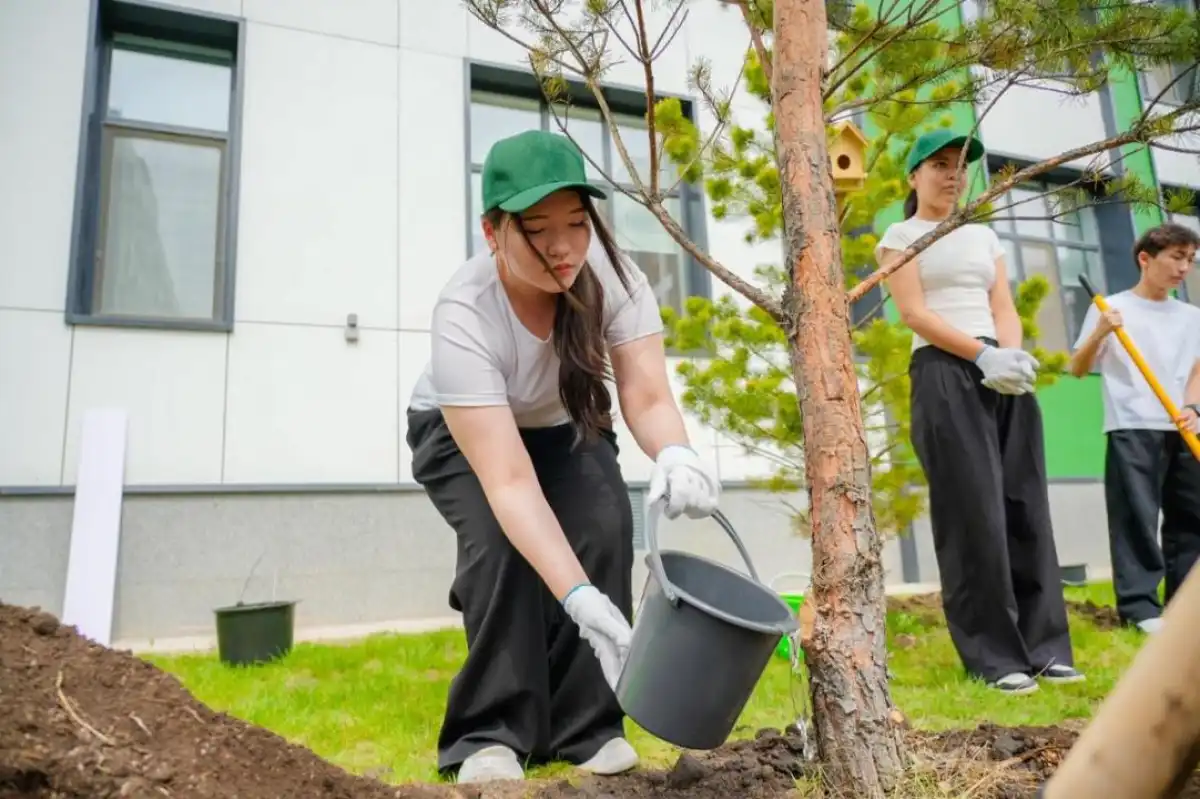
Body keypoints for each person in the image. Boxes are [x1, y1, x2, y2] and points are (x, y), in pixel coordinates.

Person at [405, 129, 721, 784]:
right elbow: (509, 481)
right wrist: (575, 595)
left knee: (604, 526)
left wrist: (677, 454)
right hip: (464, 433)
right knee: (501, 546)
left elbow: (646, 393)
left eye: (577, 223)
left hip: (561, 420)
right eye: (537, 229)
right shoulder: (464, 311)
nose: (563, 246)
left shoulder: (613, 275)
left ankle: (588, 727)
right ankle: (489, 733)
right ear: (492, 232)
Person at [876, 129, 1083, 695]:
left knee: (1025, 506)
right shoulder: (901, 236)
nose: (952, 175)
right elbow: (914, 314)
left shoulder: (983, 236)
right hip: (944, 371)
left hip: (1002, 370)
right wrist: (980, 354)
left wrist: (1008, 353)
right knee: (974, 513)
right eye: (939, 164)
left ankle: (1045, 649)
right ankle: (994, 658)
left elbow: (1003, 305)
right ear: (914, 175)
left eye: (960, 166)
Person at [1067, 222, 1200, 634]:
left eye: (1190, 260)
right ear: (1145, 258)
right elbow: (1077, 367)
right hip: (1132, 425)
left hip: (1184, 428)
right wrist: (1100, 333)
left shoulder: (1192, 316)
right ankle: (1141, 609)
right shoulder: (1110, 309)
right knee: (1136, 520)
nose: (1184, 268)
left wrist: (1194, 406)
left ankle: (1183, 610)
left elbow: (1197, 370)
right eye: (1176, 257)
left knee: (1191, 520)